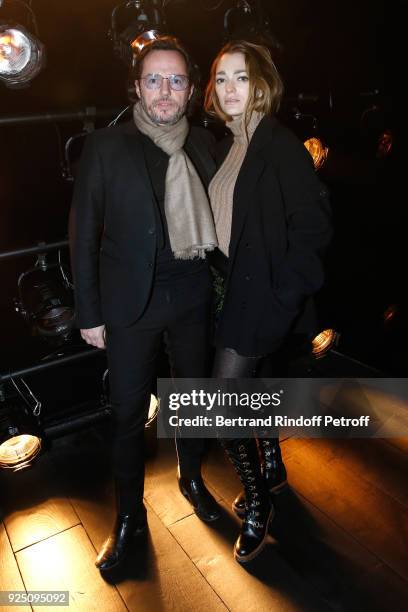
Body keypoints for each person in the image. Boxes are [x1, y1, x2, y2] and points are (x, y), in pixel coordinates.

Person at [70, 35, 221, 573]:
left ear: (189, 90)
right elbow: (83, 234)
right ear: (137, 86)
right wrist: (88, 313)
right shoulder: (105, 147)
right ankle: (130, 518)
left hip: (192, 294)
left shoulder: (204, 143)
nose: (164, 90)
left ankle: (192, 479)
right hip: (130, 302)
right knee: (129, 416)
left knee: (193, 398)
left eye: (176, 80)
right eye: (154, 79)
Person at [204, 40, 332, 563]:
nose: (229, 89)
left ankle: (259, 504)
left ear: (261, 84)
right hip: (229, 287)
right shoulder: (230, 143)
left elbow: (314, 230)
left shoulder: (278, 144)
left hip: (259, 295)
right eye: (220, 79)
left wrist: (282, 303)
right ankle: (273, 469)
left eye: (240, 77)